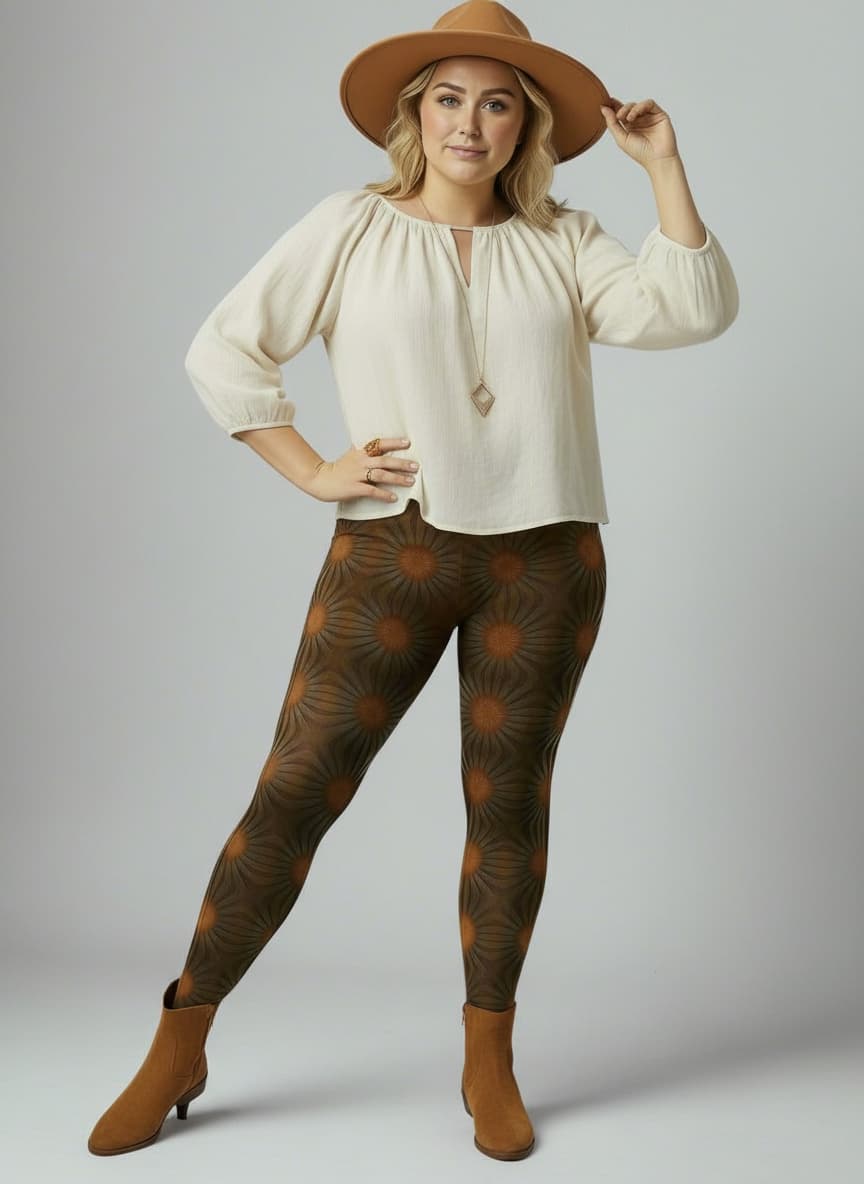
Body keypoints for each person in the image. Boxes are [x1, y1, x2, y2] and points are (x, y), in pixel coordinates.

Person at [86, 0, 739, 1163]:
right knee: (296, 787)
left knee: (508, 804)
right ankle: (180, 1037)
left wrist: (663, 166)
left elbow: (693, 309)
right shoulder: (349, 225)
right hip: (395, 549)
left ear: (526, 124)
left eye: (497, 103)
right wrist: (310, 468)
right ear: (415, 114)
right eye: (448, 99)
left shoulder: (566, 238)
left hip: (546, 561)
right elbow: (223, 348)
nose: (470, 124)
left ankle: (490, 1058)